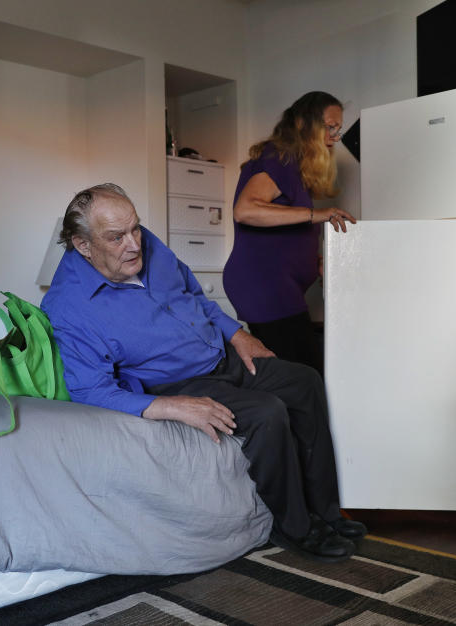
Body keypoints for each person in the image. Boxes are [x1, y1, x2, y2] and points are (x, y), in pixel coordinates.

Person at [41, 183, 366, 562]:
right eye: (116, 237)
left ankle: (326, 511)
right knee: (267, 412)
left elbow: (194, 296)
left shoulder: (146, 244)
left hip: (221, 354)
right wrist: (171, 406)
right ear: (83, 245)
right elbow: (88, 391)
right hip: (179, 381)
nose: (133, 244)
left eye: (135, 228)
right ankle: (295, 527)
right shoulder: (68, 306)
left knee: (305, 380)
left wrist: (237, 333)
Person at [223, 91, 356, 375]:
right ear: (302, 124)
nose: (334, 136)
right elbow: (245, 210)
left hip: (275, 286)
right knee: (303, 375)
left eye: (338, 129)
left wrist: (315, 260)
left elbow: (284, 228)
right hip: (264, 286)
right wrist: (318, 214)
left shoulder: (293, 167)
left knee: (296, 373)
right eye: (329, 127)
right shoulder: (279, 158)